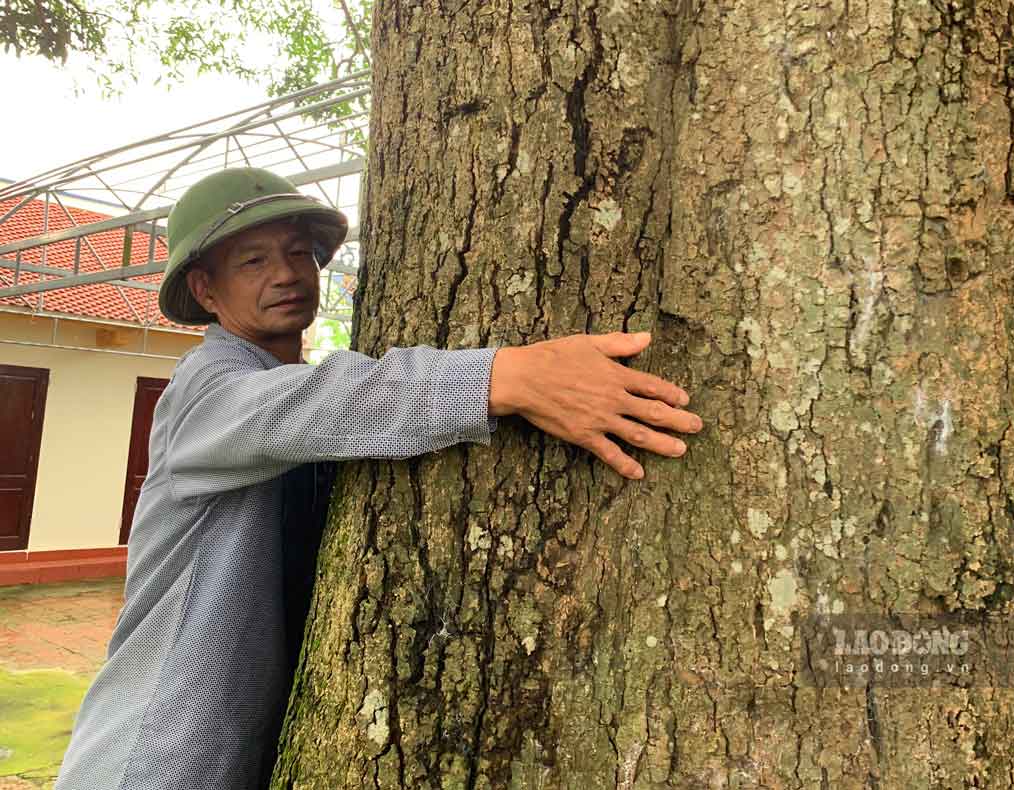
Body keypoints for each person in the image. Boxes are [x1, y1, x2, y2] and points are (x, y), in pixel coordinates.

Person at [53, 167, 703, 789]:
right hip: (152, 758)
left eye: (299, 251)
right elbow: (319, 403)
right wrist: (510, 377)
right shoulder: (205, 390)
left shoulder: (277, 393)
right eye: (252, 261)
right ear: (205, 290)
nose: (286, 273)